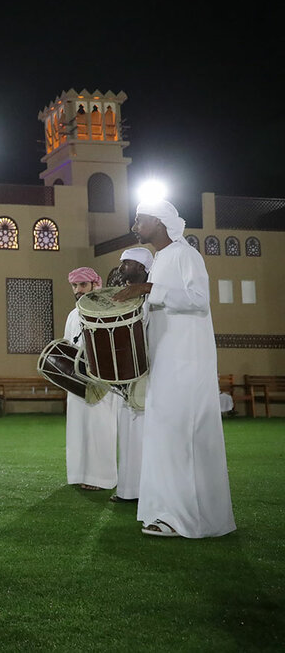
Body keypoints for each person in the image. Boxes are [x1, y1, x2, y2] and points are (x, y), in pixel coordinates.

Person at [113, 200, 235, 538]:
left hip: (186, 363)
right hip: (165, 362)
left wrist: (149, 289)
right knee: (164, 437)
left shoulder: (185, 254)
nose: (135, 223)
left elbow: (198, 300)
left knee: (183, 437)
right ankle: (165, 513)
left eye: (140, 218)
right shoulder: (162, 260)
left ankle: (189, 519)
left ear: (159, 221)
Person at [64, 267, 119, 491]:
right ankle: (79, 473)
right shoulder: (72, 314)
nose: (78, 290)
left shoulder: (106, 309)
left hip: (101, 380)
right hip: (76, 379)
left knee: (100, 427)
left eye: (82, 285)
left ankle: (101, 478)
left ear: (96, 285)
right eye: (75, 286)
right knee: (78, 427)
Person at [109, 247, 153, 504]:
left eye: (126, 264)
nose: (121, 268)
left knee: (144, 432)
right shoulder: (123, 297)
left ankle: (146, 489)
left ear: (141, 268)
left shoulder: (153, 298)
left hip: (149, 375)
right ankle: (128, 489)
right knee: (127, 432)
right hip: (126, 374)